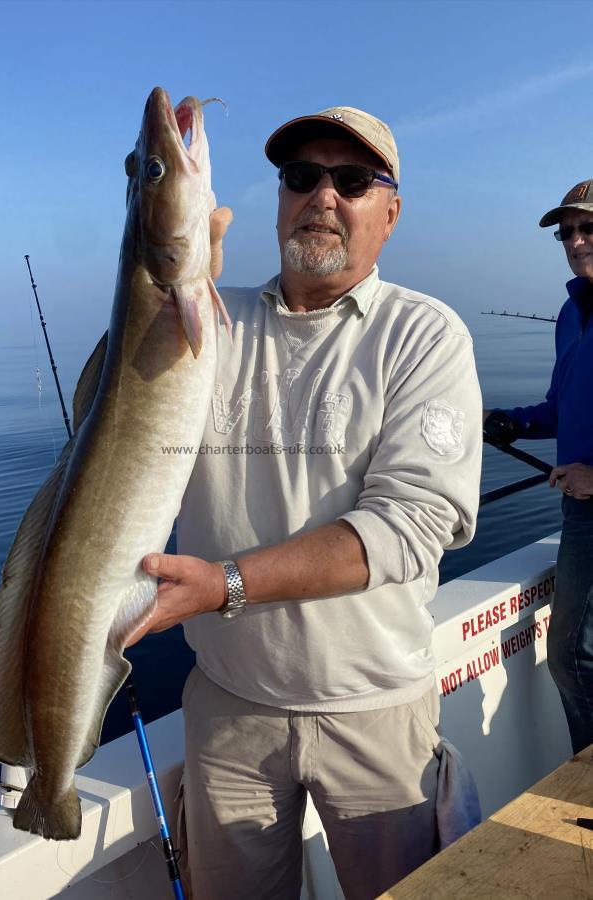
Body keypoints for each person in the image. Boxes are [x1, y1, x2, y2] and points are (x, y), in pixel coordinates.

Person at [130, 106, 483, 899]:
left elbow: (413, 522)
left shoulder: (424, 336)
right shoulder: (207, 328)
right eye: (301, 177)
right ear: (279, 199)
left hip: (375, 711)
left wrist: (224, 583)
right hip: (227, 709)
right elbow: (119, 419)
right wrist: (170, 296)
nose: (322, 195)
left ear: (388, 214)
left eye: (351, 181)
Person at [483, 179, 593, 756]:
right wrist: (510, 422)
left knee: (573, 661)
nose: (575, 240)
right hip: (578, 513)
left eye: (588, 227)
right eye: (566, 231)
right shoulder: (570, 314)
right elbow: (560, 406)